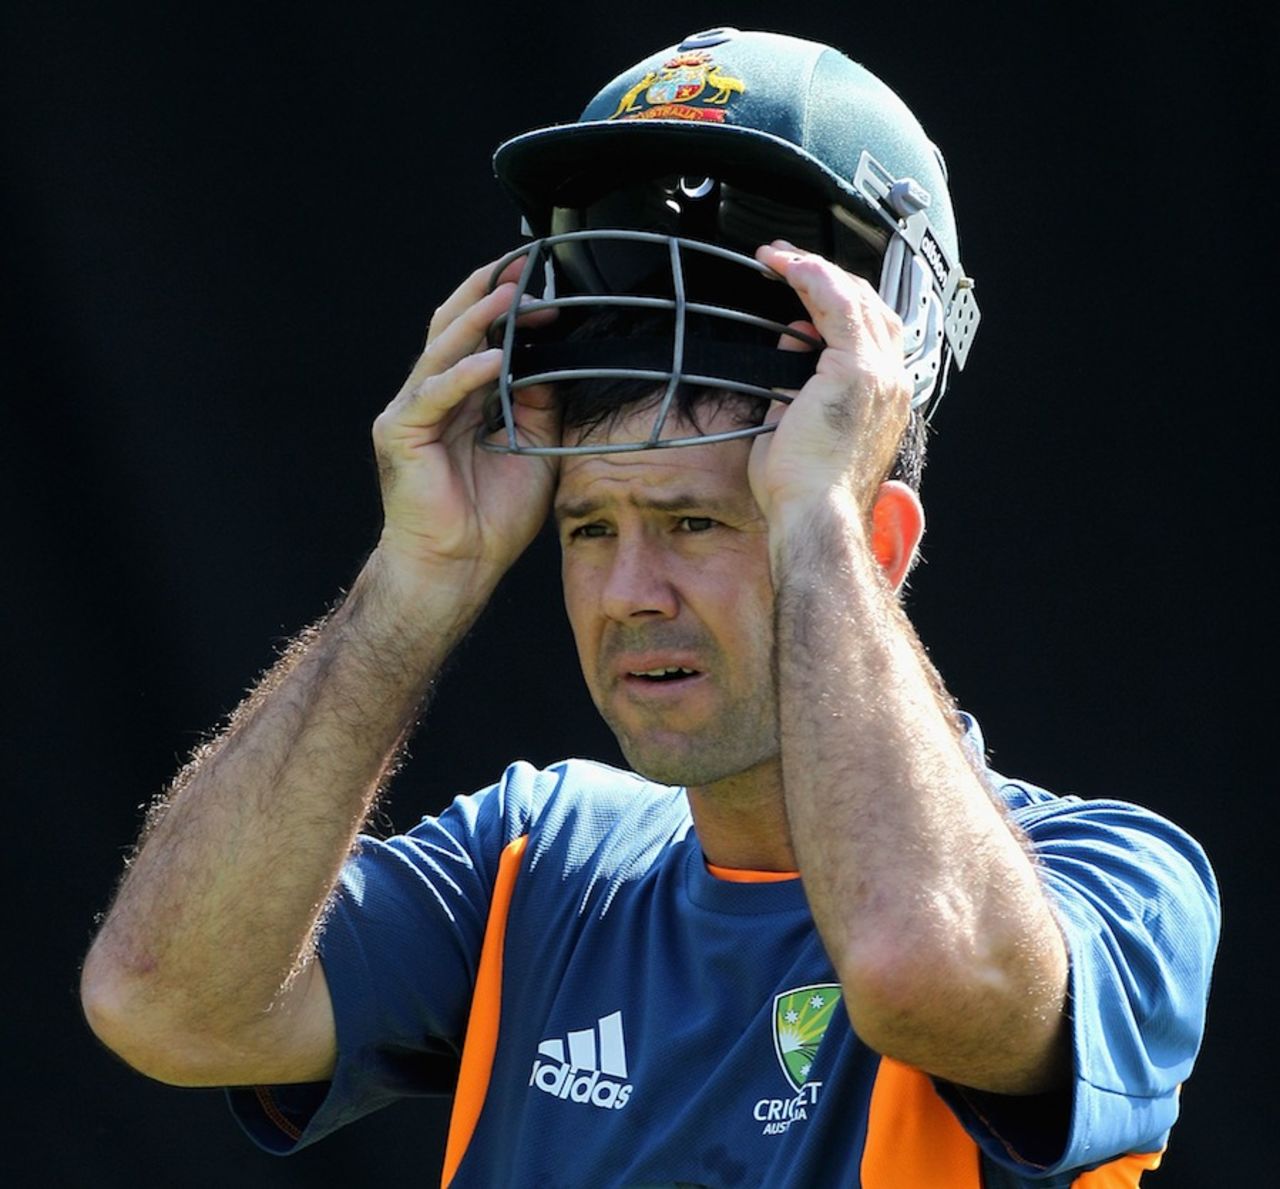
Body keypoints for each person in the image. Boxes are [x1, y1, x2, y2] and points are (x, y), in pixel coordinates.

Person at [80, 28, 1219, 1188]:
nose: (628, 594)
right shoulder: (531, 856)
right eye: (587, 529)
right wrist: (414, 581)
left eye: (697, 523)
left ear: (877, 544)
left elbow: (906, 962)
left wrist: (813, 512)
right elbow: (161, 1001)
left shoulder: (1116, 877)